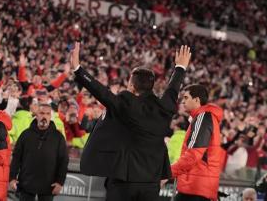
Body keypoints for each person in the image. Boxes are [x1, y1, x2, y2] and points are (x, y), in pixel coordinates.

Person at [70, 42, 191, 201]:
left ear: (132, 86)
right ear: (151, 86)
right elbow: (173, 89)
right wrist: (180, 67)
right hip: (152, 182)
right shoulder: (165, 107)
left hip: (124, 182)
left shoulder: (126, 103)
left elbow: (103, 93)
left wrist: (78, 70)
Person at [171, 84, 224, 201]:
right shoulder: (203, 117)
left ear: (196, 100)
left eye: (186, 98)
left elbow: (192, 156)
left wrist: (168, 173)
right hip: (197, 185)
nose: (182, 102)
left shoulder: (203, 117)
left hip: (195, 187)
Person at [9, 103, 69, 201]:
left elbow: (63, 161)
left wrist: (60, 182)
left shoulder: (58, 137)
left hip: (49, 186)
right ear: (36, 115)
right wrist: (12, 178)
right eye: (41, 113)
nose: (44, 116)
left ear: (51, 116)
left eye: (47, 114)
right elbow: (16, 158)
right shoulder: (25, 135)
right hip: (26, 185)